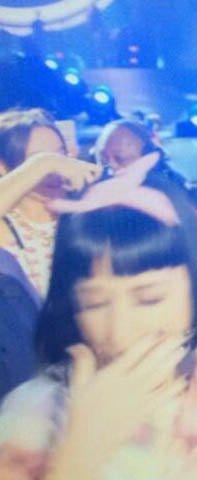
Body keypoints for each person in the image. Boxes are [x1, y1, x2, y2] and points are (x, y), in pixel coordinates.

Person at [0, 170, 197, 479]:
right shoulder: (34, 418)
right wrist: (79, 455)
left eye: (149, 299)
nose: (120, 332)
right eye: (94, 303)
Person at [0, 108, 102, 398]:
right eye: (37, 160)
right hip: (25, 383)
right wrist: (44, 164)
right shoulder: (5, 224)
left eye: (60, 154)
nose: (57, 169)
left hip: (93, 371)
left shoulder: (87, 212)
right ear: (5, 168)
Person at [92, 118, 197, 301]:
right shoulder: (92, 213)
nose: (110, 169)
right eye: (103, 160)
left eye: (121, 159)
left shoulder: (177, 215)